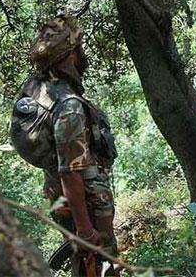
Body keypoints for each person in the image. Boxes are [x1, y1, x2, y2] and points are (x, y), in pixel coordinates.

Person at [11, 15, 118, 276]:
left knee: (83, 259)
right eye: (79, 48)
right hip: (85, 202)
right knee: (96, 260)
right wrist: (84, 228)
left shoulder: (38, 88)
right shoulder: (68, 106)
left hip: (61, 196)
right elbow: (70, 171)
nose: (83, 55)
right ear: (70, 56)